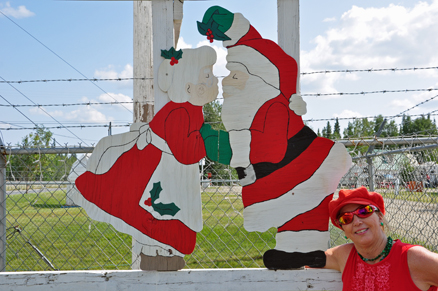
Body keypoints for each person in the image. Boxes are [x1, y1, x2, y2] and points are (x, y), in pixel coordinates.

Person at [198, 6, 352, 269]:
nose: (226, 83)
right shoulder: (261, 105)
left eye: (235, 75)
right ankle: (301, 254)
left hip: (301, 168)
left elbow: (268, 148)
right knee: (300, 214)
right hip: (293, 169)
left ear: (261, 81)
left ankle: (305, 254)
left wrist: (215, 143)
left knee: (301, 207)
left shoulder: (273, 107)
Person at [73, 46, 218, 269]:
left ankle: (163, 253)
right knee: (155, 211)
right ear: (189, 86)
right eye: (207, 76)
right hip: (156, 169)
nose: (214, 81)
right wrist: (208, 141)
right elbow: (185, 151)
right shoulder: (179, 111)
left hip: (165, 167)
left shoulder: (190, 109)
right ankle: (156, 252)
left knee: (165, 214)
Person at [324, 187, 438, 290]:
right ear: (344, 230)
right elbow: (308, 259)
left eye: (364, 211)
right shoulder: (344, 255)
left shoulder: (414, 258)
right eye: (346, 218)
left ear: (379, 217)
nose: (357, 222)